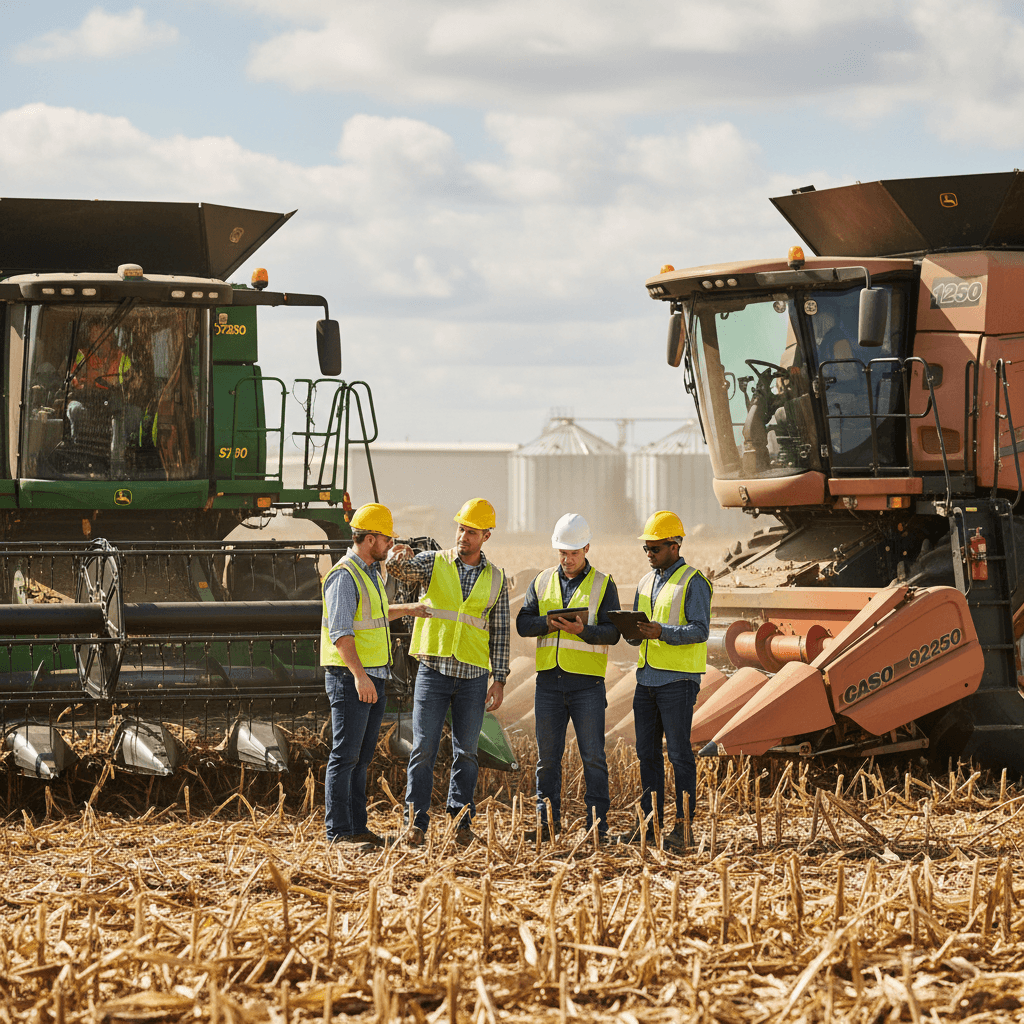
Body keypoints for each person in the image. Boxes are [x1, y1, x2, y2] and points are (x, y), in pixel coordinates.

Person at [386, 497, 510, 846]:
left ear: (486, 536)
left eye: (471, 532)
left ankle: (461, 824)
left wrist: (499, 678)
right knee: (423, 749)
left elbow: (500, 631)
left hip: (473, 676)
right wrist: (397, 555)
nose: (463, 536)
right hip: (434, 670)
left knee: (466, 754)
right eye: (461, 529)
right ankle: (415, 824)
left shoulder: (496, 578)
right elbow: (400, 571)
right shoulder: (433, 561)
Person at [321, 503, 430, 847]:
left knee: (360, 759)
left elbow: (376, 614)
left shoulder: (369, 573)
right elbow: (341, 633)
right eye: (386, 539)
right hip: (352, 679)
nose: (390, 544)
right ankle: (339, 832)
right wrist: (360, 676)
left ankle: (357, 829)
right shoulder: (344, 575)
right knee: (345, 757)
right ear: (370, 539)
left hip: (373, 677)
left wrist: (411, 609)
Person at [515, 513, 620, 841]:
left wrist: (582, 631)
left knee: (593, 758)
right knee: (547, 760)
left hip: (587, 686)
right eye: (562, 552)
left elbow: (613, 632)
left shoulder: (604, 584)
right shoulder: (542, 581)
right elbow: (523, 624)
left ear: (586, 548)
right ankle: (546, 825)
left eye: (573, 553)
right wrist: (547, 623)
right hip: (548, 684)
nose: (567, 559)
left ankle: (597, 827)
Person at [620, 510, 712, 849]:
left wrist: (662, 632)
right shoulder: (646, 582)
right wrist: (631, 632)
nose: (649, 553)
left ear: (675, 546)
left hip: (677, 682)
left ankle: (684, 830)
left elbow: (700, 630)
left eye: (655, 548)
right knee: (646, 754)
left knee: (679, 755)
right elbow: (640, 630)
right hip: (646, 680)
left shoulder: (693, 581)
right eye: (646, 548)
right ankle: (649, 825)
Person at [66, 323, 133, 446]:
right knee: (74, 409)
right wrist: (82, 384)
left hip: (113, 405)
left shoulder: (122, 357)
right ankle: (76, 446)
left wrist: (117, 384)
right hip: (88, 402)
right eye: (94, 336)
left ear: (110, 336)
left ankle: (118, 452)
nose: (98, 340)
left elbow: (130, 381)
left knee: (130, 415)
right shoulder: (83, 354)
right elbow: (74, 380)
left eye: (102, 336)